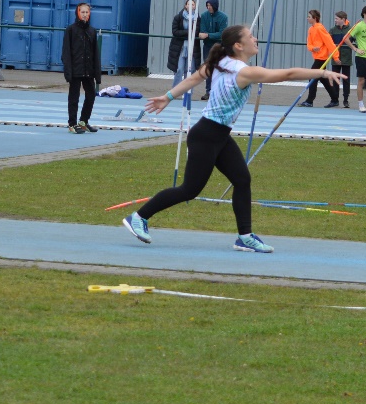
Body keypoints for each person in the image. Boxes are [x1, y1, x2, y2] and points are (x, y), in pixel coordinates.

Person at [124, 24, 344, 253]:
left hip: (218, 135)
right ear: (239, 45)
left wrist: (168, 97)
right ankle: (139, 217)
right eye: (250, 36)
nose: (255, 38)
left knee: (242, 179)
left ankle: (245, 237)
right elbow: (286, 75)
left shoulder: (221, 63)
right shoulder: (242, 71)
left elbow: (193, 79)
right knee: (189, 190)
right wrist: (322, 72)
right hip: (207, 135)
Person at [62, 2, 102, 134]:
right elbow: (66, 52)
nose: (85, 15)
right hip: (75, 70)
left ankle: (84, 121)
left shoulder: (92, 31)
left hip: (88, 71)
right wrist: (68, 71)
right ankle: (72, 124)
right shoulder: (71, 30)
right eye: (82, 12)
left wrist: (97, 74)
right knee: (74, 97)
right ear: (77, 13)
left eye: (87, 12)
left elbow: (96, 53)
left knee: (91, 95)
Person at [300, 9, 340, 108]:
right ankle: (335, 99)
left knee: (312, 77)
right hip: (317, 57)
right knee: (323, 79)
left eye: (309, 17)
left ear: (315, 18)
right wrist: (313, 48)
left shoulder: (320, 28)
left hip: (322, 58)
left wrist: (336, 56)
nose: (307, 18)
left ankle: (310, 101)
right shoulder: (311, 29)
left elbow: (329, 42)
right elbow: (309, 44)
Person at [196, 0, 228, 100]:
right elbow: (202, 31)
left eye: (210, 6)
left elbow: (222, 33)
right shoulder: (204, 16)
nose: (208, 7)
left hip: (219, 46)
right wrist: (206, 35)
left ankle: (218, 92)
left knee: (219, 69)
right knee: (209, 68)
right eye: (207, 5)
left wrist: (208, 35)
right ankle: (208, 91)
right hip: (207, 46)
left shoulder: (223, 17)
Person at [167, 0, 197, 97]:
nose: (191, 6)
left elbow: (197, 32)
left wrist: (188, 32)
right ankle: (175, 92)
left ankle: (188, 92)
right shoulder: (178, 17)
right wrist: (188, 32)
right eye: (189, 4)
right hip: (179, 48)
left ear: (195, 6)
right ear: (185, 6)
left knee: (190, 70)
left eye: (193, 4)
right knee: (179, 69)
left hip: (192, 48)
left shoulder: (197, 19)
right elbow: (175, 32)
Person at [329, 10, 353, 108]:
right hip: (336, 58)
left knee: (346, 80)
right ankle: (334, 99)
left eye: (337, 19)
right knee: (335, 79)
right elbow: (329, 43)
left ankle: (346, 100)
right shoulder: (332, 30)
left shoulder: (351, 30)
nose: (335, 20)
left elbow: (355, 40)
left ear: (343, 19)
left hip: (346, 58)